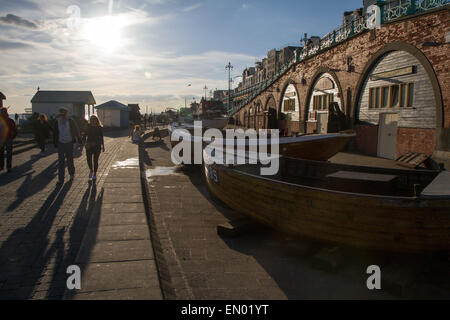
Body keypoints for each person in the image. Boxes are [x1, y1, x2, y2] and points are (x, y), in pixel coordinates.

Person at [52, 108, 82, 184]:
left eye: (64, 113)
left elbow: (76, 131)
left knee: (70, 160)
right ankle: (61, 178)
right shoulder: (57, 122)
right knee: (61, 161)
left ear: (66, 113)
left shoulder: (70, 121)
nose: (63, 115)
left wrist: (78, 141)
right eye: (61, 113)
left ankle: (71, 174)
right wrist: (55, 143)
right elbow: (54, 132)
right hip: (60, 143)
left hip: (69, 142)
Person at [83, 115, 104, 182]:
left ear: (96, 120)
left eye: (94, 119)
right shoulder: (88, 126)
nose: (93, 120)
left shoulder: (99, 127)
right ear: (90, 120)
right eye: (92, 119)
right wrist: (83, 143)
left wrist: (103, 146)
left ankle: (94, 174)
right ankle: (91, 170)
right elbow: (84, 135)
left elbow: (101, 137)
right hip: (89, 145)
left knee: (95, 160)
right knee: (88, 159)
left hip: (97, 146)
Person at [0, 107, 18, 173]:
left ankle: (3, 166)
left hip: (5, 139)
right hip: (7, 139)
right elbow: (15, 130)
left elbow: (15, 130)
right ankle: (8, 167)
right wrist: (12, 136)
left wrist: (12, 136)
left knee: (3, 154)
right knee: (8, 154)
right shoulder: (10, 120)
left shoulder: (9, 120)